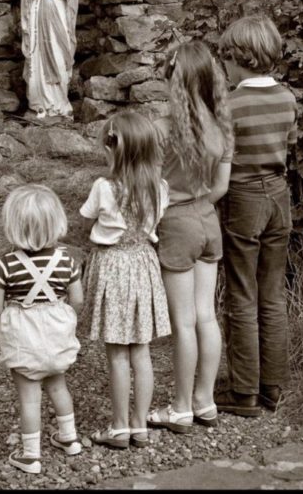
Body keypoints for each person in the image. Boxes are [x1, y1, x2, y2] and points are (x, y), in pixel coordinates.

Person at [147, 39, 234, 433]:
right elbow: (220, 187)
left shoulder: (161, 131)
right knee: (206, 316)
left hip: (176, 224)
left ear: (174, 79)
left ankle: (180, 407)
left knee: (183, 322)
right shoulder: (221, 128)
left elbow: (148, 189)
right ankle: (205, 400)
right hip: (207, 220)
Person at [214, 14, 298, 416]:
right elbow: (290, 145)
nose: (224, 67)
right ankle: (273, 387)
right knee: (273, 294)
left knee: (242, 294)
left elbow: (220, 157)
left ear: (238, 58)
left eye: (226, 59)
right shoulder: (287, 98)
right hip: (279, 196)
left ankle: (243, 391)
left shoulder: (230, 104)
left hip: (243, 197)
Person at [80, 111, 171, 450]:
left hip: (113, 266)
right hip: (144, 264)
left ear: (111, 149)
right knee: (142, 352)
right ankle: (140, 424)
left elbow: (86, 217)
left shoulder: (103, 187)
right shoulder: (160, 188)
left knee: (117, 354)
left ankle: (119, 426)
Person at [0, 184, 83, 475]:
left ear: (13, 226)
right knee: (58, 385)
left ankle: (30, 455)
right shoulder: (67, 261)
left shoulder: (5, 265)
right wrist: (63, 320)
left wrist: (8, 323)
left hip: (24, 335)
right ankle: (69, 438)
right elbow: (78, 299)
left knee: (29, 396)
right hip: (56, 331)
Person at [20, 0, 78, 119]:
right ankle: (41, 103)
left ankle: (60, 101)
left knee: (59, 52)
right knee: (39, 54)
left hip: (59, 14)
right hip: (39, 13)